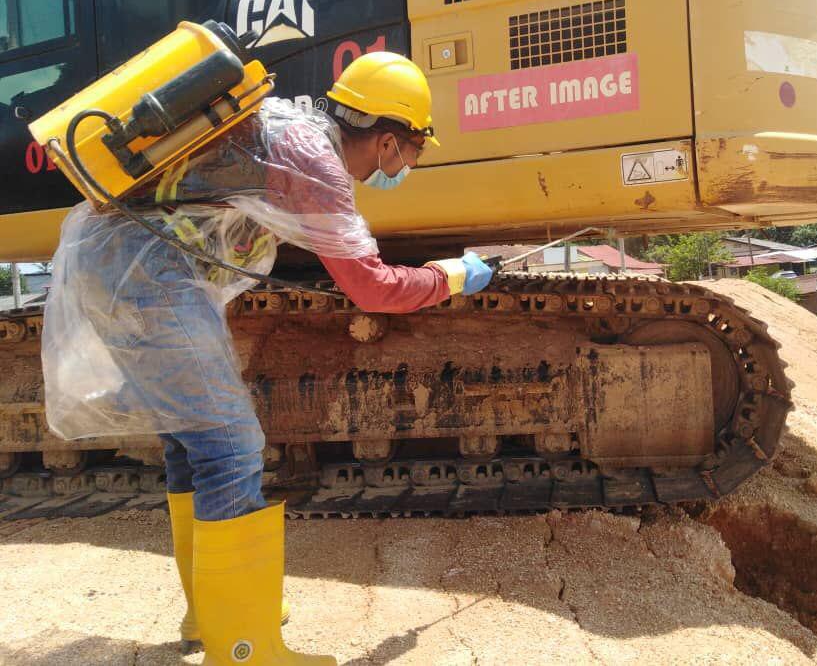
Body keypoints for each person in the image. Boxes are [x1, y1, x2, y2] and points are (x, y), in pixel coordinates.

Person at [42, 53, 493, 665]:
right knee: (230, 446)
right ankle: (245, 651)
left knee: (193, 440)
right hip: (147, 275)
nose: (408, 164)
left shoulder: (289, 127)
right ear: (388, 140)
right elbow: (372, 289)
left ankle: (215, 613)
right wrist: (450, 276)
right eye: (414, 150)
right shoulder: (317, 167)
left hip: (120, 265)